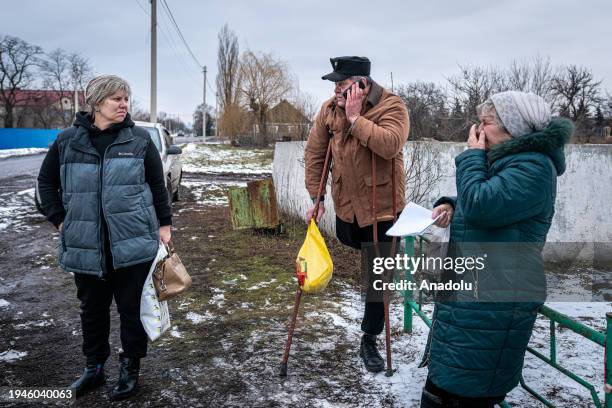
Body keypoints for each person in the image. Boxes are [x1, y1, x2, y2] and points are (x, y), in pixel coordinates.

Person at [421, 91, 573, 407]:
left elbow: (482, 205)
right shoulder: (509, 162)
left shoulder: (535, 168)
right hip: (474, 299)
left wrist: (472, 156)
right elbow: (483, 202)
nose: (478, 130)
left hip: (493, 307)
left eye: (486, 122)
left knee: (462, 394)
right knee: (440, 391)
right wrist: (450, 204)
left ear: (512, 128)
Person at [37, 75, 172, 400]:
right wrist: (60, 221)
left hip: (133, 243)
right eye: (116, 99)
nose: (123, 104)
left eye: (125, 98)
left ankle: (130, 370)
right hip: (87, 246)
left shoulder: (139, 141)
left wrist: (164, 225)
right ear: (96, 102)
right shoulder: (68, 141)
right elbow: (45, 183)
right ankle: (94, 368)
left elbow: (157, 185)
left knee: (132, 310)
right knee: (92, 310)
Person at [304, 56, 410, 372]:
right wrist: (316, 196)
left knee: (379, 276)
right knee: (353, 244)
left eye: (342, 83)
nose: (336, 89)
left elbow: (390, 144)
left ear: (363, 83)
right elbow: (315, 153)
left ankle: (370, 338)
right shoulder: (329, 109)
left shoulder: (392, 106)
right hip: (348, 207)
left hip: (383, 208)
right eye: (334, 83)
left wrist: (355, 119)